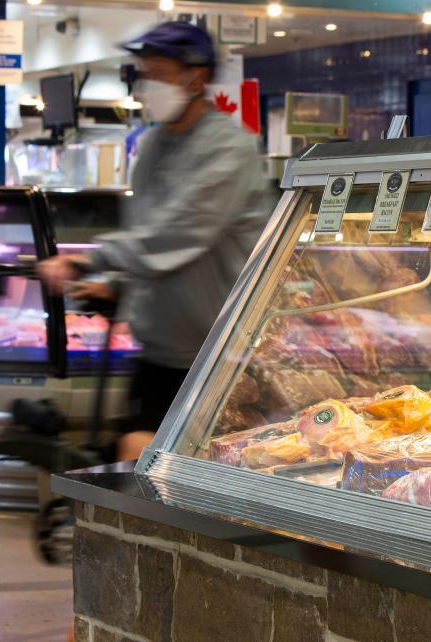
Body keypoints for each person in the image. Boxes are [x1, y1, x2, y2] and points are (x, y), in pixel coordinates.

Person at [39, 21, 268, 461]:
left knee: (171, 474)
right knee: (133, 465)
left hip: (217, 361)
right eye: (143, 73)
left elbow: (177, 232)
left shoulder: (229, 149)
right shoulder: (153, 146)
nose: (147, 85)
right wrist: (118, 284)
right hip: (158, 354)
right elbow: (147, 234)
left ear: (196, 78)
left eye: (158, 73)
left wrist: (87, 261)